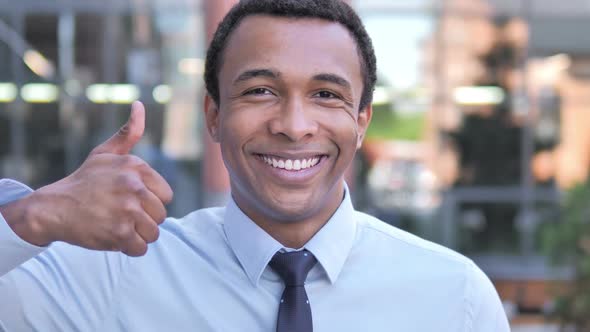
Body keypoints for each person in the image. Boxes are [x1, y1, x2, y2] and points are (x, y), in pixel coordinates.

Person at [0, 0, 510, 331]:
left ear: (362, 121)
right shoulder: (112, 279)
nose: (293, 124)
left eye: (326, 94)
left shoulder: (455, 298)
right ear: (214, 115)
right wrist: (35, 216)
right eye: (260, 90)